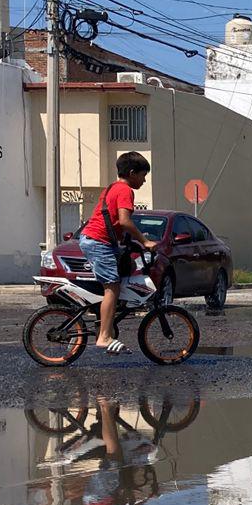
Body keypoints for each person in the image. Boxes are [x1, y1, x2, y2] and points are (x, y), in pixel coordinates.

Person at [80, 151, 156, 354]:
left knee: (127, 269)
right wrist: (145, 241)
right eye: (143, 175)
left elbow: (113, 221)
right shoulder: (125, 190)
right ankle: (104, 336)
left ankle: (106, 319)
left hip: (101, 240)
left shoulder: (112, 187)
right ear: (132, 173)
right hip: (98, 241)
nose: (144, 180)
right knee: (112, 287)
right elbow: (124, 221)